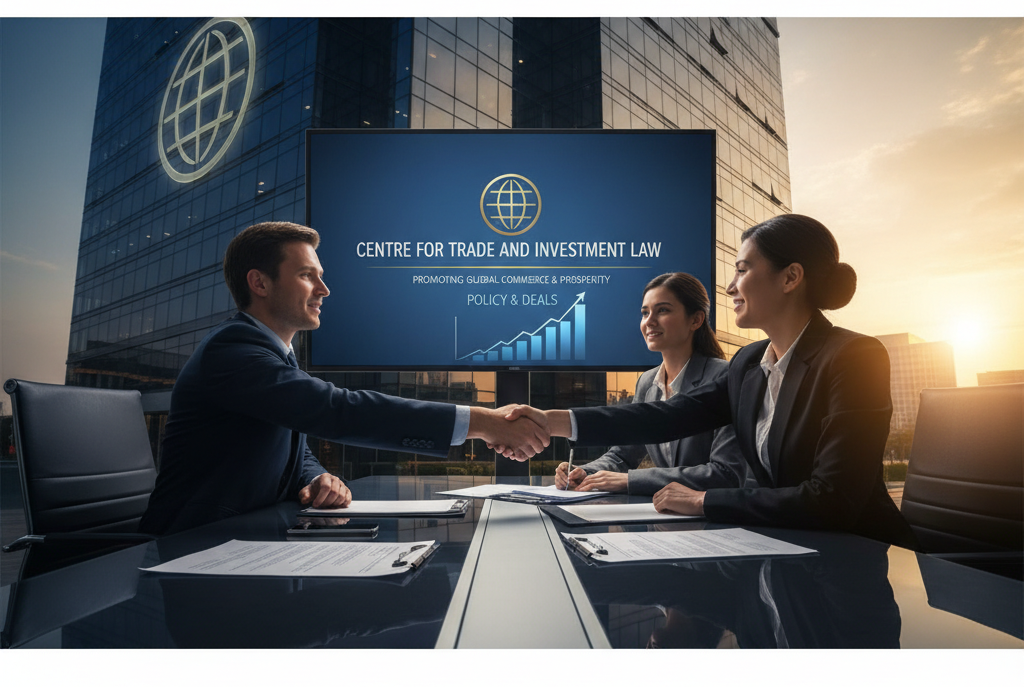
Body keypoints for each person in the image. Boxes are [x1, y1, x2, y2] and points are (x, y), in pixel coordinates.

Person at [500, 215, 916, 547]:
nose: (731, 286)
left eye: (742, 269)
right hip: (778, 544)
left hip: (855, 557)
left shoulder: (854, 356)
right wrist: (549, 420)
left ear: (790, 278)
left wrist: (702, 500)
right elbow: (665, 416)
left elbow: (834, 498)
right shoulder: (750, 362)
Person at [140, 222, 548, 535]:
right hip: (194, 550)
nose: (325, 289)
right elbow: (335, 410)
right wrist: (481, 422)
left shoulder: (270, 355)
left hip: (255, 540)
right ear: (259, 282)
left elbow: (290, 443)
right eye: (307, 275)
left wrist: (314, 476)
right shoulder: (231, 352)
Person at [555, 272, 748, 495]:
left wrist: (630, 480)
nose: (649, 321)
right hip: (666, 513)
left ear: (696, 319)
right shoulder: (647, 382)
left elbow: (724, 474)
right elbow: (622, 455)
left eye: (663, 310)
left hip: (711, 516)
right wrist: (585, 473)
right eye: (645, 313)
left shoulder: (723, 377)